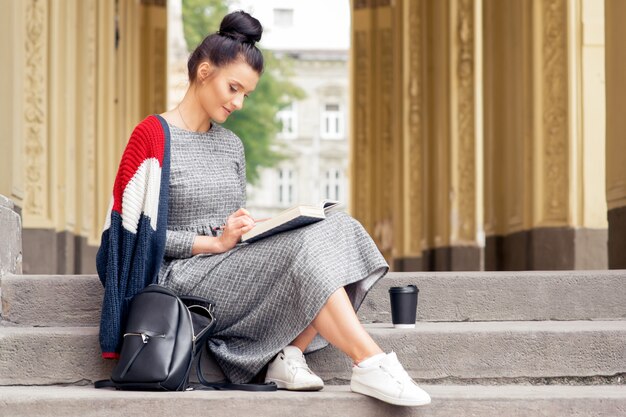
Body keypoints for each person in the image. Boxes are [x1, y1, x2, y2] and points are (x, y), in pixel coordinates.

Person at [123, 10, 429, 407]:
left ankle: (290, 354)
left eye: (246, 94)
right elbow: (131, 236)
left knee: (338, 224)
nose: (239, 103)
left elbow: (229, 221)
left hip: (230, 261)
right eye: (233, 88)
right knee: (302, 250)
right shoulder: (151, 136)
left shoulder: (231, 145)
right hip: (181, 275)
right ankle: (369, 361)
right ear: (203, 71)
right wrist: (212, 244)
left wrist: (255, 227)